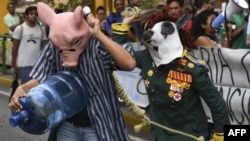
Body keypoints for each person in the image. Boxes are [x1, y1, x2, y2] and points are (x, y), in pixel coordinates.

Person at [9, 2, 136, 141]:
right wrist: (23, 88)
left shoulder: (96, 45)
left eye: (71, 43)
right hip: (67, 124)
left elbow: (129, 64)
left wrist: (100, 35)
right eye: (60, 47)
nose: (64, 51)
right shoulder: (54, 45)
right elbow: (39, 77)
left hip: (99, 124)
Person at [111, 6, 230, 141]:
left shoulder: (191, 68)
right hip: (159, 134)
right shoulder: (146, 58)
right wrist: (125, 24)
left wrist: (221, 134)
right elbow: (120, 54)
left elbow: (217, 103)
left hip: (190, 135)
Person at [11, 6, 46, 84]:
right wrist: (13, 62)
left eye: (36, 14)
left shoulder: (41, 29)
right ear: (26, 15)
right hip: (24, 64)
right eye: (31, 13)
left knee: (36, 89)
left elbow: (44, 48)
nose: (34, 15)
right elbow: (14, 47)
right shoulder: (20, 29)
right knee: (26, 89)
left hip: (38, 65)